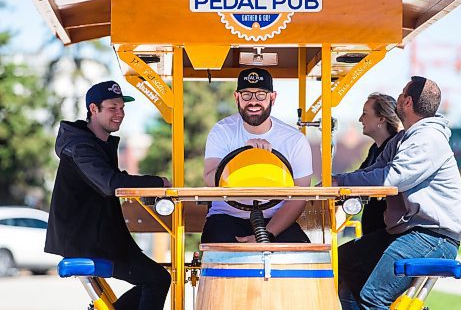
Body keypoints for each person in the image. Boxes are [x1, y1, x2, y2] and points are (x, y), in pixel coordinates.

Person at [333, 76, 461, 310]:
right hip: (408, 233)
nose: (398, 97)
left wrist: (336, 183)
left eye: (402, 93)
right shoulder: (403, 139)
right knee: (341, 262)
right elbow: (373, 170)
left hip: (432, 236)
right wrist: (335, 182)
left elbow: (391, 178)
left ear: (407, 102)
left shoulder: (428, 139)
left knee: (374, 297)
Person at [45, 81, 171, 310]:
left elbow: (112, 179)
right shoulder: (81, 147)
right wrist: (157, 182)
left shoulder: (95, 144)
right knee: (157, 279)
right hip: (86, 242)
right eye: (113, 108)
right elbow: (109, 183)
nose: (120, 114)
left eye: (122, 108)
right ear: (94, 109)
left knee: (156, 278)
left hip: (100, 238)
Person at [201, 67, 313, 243]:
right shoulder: (222, 131)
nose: (253, 101)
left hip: (276, 219)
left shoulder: (294, 140)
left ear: (273, 97)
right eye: (246, 94)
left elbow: (299, 198)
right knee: (218, 254)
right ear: (236, 97)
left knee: (302, 257)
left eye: (261, 94)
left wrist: (267, 234)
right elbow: (209, 179)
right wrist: (244, 156)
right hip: (226, 216)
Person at [357, 93, 402, 235]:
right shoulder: (375, 149)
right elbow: (359, 177)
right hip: (375, 232)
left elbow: (364, 179)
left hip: (385, 233)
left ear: (382, 119)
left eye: (365, 114)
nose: (360, 119)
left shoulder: (396, 148)